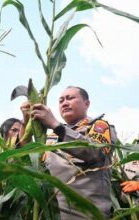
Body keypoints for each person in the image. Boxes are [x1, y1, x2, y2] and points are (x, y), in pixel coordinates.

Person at [20, 86, 117, 219]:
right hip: (52, 213)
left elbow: (95, 152)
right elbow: (29, 159)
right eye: (61, 101)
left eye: (70, 98)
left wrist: (56, 125)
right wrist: (26, 122)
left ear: (87, 104)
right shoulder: (51, 138)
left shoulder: (98, 126)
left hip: (86, 214)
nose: (65, 103)